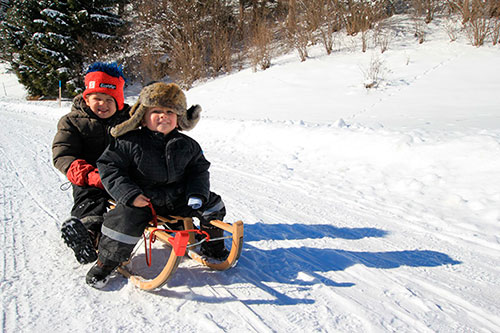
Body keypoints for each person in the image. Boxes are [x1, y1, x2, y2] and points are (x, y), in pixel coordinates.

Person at [86, 82, 228, 288]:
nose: (164, 116)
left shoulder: (188, 145)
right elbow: (109, 166)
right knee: (124, 219)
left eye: (170, 111)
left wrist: (197, 193)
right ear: (143, 116)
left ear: (179, 118)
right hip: (143, 200)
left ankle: (212, 246)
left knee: (214, 204)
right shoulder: (129, 141)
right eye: (157, 111)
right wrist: (130, 194)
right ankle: (106, 262)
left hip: (179, 198)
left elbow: (199, 170)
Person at [52, 62, 130, 265]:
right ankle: (87, 234)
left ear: (119, 101)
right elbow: (63, 154)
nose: (102, 104)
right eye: (97, 98)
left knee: (150, 193)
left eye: (108, 100)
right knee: (89, 199)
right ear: (87, 98)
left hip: (122, 176)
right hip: (89, 176)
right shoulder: (72, 121)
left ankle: (181, 227)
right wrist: (88, 175)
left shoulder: (129, 121)